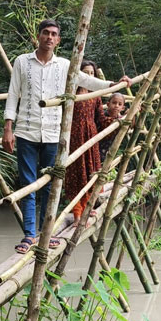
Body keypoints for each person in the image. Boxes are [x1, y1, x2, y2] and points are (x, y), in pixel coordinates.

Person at [3, 19, 130, 254]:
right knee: (28, 184)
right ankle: (30, 235)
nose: (49, 37)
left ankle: (45, 233)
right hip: (25, 131)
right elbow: (13, 95)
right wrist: (8, 128)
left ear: (58, 40)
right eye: (45, 33)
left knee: (50, 186)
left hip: (52, 133)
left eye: (54, 34)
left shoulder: (64, 65)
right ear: (38, 36)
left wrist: (114, 84)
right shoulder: (22, 62)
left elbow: (86, 80)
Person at [65, 60, 105, 226]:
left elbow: (101, 119)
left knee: (90, 172)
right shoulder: (70, 94)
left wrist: (119, 120)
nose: (89, 76)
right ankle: (77, 215)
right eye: (85, 73)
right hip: (74, 137)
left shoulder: (95, 95)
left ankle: (87, 208)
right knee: (76, 175)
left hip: (90, 137)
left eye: (91, 73)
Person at [98, 92, 126, 162]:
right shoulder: (102, 116)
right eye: (114, 103)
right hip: (97, 148)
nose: (116, 106)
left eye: (119, 104)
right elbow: (108, 122)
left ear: (122, 108)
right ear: (108, 104)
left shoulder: (120, 119)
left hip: (109, 151)